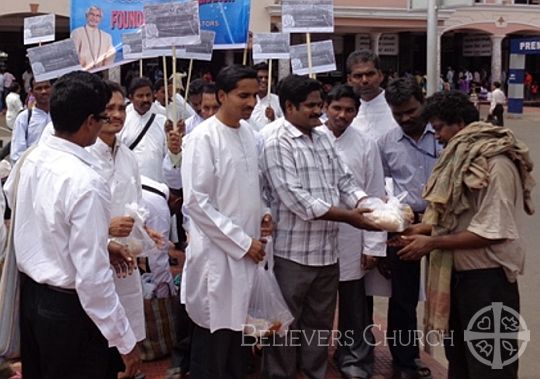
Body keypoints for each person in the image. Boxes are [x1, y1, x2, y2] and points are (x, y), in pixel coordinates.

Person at [4, 70, 140, 379]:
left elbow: (37, 221)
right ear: (91, 122)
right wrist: (125, 340)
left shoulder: (34, 158)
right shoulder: (85, 181)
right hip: (69, 311)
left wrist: (101, 243)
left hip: (35, 301)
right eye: (104, 116)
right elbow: (92, 280)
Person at [394, 90, 534, 379]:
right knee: (459, 361)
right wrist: (415, 230)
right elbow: (455, 219)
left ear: (459, 123)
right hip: (458, 278)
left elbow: (493, 230)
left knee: (491, 366)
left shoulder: (496, 162)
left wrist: (431, 242)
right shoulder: (458, 158)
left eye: (440, 128)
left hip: (489, 280)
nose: (438, 136)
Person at [260, 74, 380, 379]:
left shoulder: (323, 136)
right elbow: (296, 200)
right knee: (285, 324)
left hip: (328, 252)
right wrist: (351, 217)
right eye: (311, 106)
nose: (318, 112)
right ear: (289, 106)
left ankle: (314, 372)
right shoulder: (275, 139)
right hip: (292, 253)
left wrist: (368, 203)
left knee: (320, 324)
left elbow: (345, 180)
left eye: (319, 105)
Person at [181, 64, 272, 379]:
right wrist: (242, 242)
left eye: (254, 95)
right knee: (213, 342)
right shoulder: (202, 138)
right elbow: (197, 202)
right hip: (218, 258)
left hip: (248, 251)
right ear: (221, 96)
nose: (251, 102)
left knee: (238, 343)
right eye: (242, 95)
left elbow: (250, 186)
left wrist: (263, 214)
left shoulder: (249, 133)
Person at [322, 84, 388, 379]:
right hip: (313, 236)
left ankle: (354, 359)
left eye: (349, 110)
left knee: (355, 304)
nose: (342, 115)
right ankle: (308, 354)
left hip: (353, 237)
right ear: (325, 107)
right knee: (313, 304)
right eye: (337, 108)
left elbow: (374, 194)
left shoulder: (365, 144)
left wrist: (373, 246)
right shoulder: (310, 139)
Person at [379, 77, 442, 379]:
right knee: (403, 297)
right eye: (398, 113)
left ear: (424, 102)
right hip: (404, 224)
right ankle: (406, 359)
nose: (405, 118)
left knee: (449, 291)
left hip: (445, 223)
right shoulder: (386, 143)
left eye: (411, 111)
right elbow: (383, 189)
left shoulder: (445, 136)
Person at [119, 77, 181, 187]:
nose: (145, 99)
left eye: (148, 95)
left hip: (157, 187)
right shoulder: (122, 122)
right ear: (131, 98)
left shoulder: (163, 121)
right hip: (130, 187)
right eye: (140, 96)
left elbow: (169, 158)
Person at [346, 50, 399, 141]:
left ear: (380, 75)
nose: (364, 80)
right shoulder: (344, 110)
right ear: (349, 80)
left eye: (370, 74)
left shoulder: (396, 104)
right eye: (358, 76)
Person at [10, 79, 52, 162]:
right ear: (32, 92)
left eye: (47, 87)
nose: (43, 91)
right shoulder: (24, 118)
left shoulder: (60, 114)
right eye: (39, 88)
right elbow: (17, 153)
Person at [71, 5, 116, 70]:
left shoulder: (107, 37)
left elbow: (110, 55)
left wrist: (104, 68)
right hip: (82, 73)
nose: (94, 18)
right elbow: (73, 55)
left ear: (101, 19)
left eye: (98, 16)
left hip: (100, 72)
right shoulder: (77, 33)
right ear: (86, 16)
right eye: (92, 14)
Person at [249, 62, 283, 128]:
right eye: (260, 77)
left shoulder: (278, 100)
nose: (263, 80)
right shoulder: (247, 100)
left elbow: (285, 124)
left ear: (272, 81)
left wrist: (274, 118)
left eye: (267, 77)